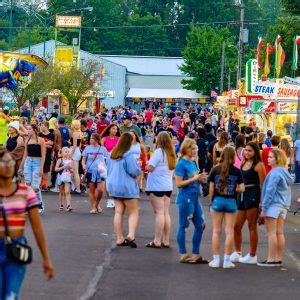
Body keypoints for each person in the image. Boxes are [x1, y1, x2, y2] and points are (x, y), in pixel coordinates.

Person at [0, 148, 53, 299]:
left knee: (10, 296)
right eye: (4, 162)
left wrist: (46, 259)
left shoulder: (25, 192)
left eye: (10, 161)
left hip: (15, 249)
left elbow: (37, 228)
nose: (9, 165)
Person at [208, 146, 245, 269]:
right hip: (231, 202)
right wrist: (235, 188)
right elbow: (242, 188)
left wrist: (211, 202)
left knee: (216, 231)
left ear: (222, 155)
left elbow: (211, 189)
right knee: (229, 232)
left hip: (218, 201)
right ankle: (227, 261)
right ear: (233, 156)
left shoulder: (215, 170)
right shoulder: (236, 170)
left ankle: (216, 260)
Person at [231, 142, 266, 264]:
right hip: (241, 195)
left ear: (255, 152)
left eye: (250, 150)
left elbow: (263, 185)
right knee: (236, 226)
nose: (246, 152)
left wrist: (262, 203)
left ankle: (252, 255)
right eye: (245, 150)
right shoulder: (243, 162)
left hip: (253, 195)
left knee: (252, 226)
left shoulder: (259, 165)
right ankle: (238, 252)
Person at [174, 138, 208, 264]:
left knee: (200, 225)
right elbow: (178, 184)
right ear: (186, 149)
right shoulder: (181, 164)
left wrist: (201, 179)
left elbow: (195, 177)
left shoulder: (193, 163)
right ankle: (183, 254)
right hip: (185, 198)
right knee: (183, 225)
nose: (195, 151)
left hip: (195, 197)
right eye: (193, 148)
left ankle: (196, 253)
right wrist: (195, 179)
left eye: (196, 148)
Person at [258, 149, 293, 267]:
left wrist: (264, 207)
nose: (268, 159)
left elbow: (269, 191)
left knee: (271, 233)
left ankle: (271, 258)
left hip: (273, 205)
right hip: (283, 205)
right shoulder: (284, 172)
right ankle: (278, 257)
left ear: (277, 159)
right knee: (279, 233)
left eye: (271, 157)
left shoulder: (274, 173)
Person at [106, 132, 141, 248]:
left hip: (114, 186)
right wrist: (138, 166)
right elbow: (134, 171)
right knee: (133, 211)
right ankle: (131, 234)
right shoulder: (128, 155)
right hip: (127, 186)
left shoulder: (112, 154)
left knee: (118, 212)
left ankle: (119, 237)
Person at [145, 132, 176, 248]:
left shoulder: (158, 152)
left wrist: (146, 165)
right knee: (165, 212)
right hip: (167, 186)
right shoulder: (171, 152)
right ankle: (166, 240)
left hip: (156, 185)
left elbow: (150, 168)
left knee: (159, 213)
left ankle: (157, 240)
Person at [19, 124, 46, 213]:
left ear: (34, 130)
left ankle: (39, 204)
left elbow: (43, 155)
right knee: (28, 185)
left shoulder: (41, 140)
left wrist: (41, 167)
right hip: (28, 162)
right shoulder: (27, 140)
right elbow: (24, 156)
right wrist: (20, 168)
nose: (28, 130)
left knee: (35, 186)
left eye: (29, 129)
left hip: (37, 163)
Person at [82, 134, 109, 214]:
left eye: (92, 138)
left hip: (101, 172)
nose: (90, 140)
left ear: (96, 139)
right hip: (90, 171)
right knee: (92, 190)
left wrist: (106, 166)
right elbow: (83, 159)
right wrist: (83, 165)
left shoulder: (103, 149)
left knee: (101, 190)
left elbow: (107, 159)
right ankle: (93, 207)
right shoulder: (87, 148)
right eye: (90, 138)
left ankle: (97, 204)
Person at [101, 124, 120, 208]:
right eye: (113, 129)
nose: (115, 131)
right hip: (106, 161)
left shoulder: (119, 139)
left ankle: (115, 198)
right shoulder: (104, 139)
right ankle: (109, 200)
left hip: (116, 161)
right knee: (107, 180)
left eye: (116, 129)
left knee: (116, 180)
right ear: (109, 130)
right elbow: (101, 151)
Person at [55, 147, 73, 212]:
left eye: (68, 152)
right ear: (62, 153)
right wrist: (62, 167)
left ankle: (68, 205)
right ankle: (61, 204)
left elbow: (73, 170)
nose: (67, 153)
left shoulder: (70, 160)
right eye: (65, 152)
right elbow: (55, 169)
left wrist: (70, 169)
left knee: (67, 191)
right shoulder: (60, 160)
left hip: (67, 176)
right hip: (60, 176)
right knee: (61, 191)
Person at [39, 121, 55, 191]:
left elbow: (51, 145)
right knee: (40, 169)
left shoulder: (51, 135)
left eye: (42, 125)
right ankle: (39, 184)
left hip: (47, 155)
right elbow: (37, 143)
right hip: (39, 154)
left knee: (46, 170)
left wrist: (42, 144)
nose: (41, 127)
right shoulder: (39, 134)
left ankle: (44, 185)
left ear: (46, 126)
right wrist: (46, 144)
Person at [70, 120, 82, 194]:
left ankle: (77, 189)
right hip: (78, 151)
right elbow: (79, 144)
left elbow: (74, 145)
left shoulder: (74, 133)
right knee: (75, 171)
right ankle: (75, 187)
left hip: (74, 151)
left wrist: (70, 155)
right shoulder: (79, 133)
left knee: (75, 172)